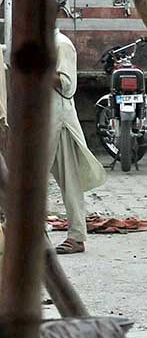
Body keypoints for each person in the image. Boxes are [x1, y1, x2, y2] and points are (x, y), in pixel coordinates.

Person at [50, 27, 107, 254]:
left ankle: (76, 236)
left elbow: (67, 85)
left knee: (68, 179)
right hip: (37, 121)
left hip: (58, 120)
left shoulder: (61, 44)